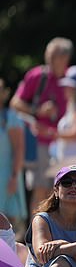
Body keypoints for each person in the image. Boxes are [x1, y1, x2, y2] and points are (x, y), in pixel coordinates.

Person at [10, 37, 72, 209]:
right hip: (41, 144)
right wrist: (37, 111)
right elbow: (15, 103)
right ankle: (35, 232)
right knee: (40, 190)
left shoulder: (71, 80)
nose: (50, 61)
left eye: (55, 57)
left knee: (63, 192)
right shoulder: (38, 76)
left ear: (65, 58)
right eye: (49, 56)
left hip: (66, 144)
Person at [0, 79, 27, 237]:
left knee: (9, 222)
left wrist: (14, 176)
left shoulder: (10, 118)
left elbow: (18, 148)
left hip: (7, 175)